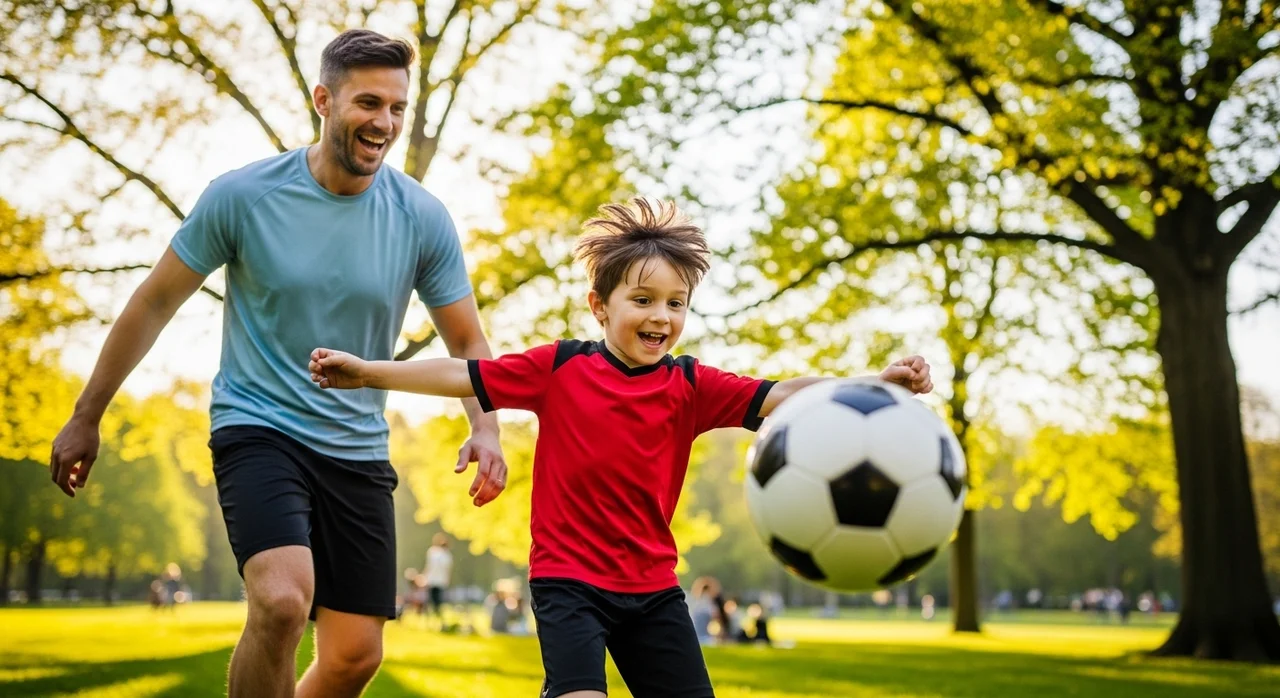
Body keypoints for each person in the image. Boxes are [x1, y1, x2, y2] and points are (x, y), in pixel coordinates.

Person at [307, 198, 933, 698]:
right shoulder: (561, 368)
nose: (660, 316)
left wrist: (872, 383)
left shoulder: (690, 384)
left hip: (653, 589)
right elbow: (464, 374)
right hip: (569, 582)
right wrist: (368, 371)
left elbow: (783, 394)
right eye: (642, 300)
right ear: (599, 306)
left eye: (675, 303)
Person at [46, 28, 508, 698]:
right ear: (324, 100)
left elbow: (466, 341)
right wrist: (87, 415)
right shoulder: (243, 196)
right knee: (284, 601)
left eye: (398, 109)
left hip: (357, 447)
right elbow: (153, 302)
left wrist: (486, 426)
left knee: (355, 656)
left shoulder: (422, 218)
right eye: (368, 103)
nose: (385, 123)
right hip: (258, 428)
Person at [423, 532, 454, 626]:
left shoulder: (432, 552)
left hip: (432, 581)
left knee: (430, 602)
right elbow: (448, 570)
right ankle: (439, 622)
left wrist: (425, 576)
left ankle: (431, 621)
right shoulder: (447, 555)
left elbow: (429, 566)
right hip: (440, 582)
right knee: (437, 603)